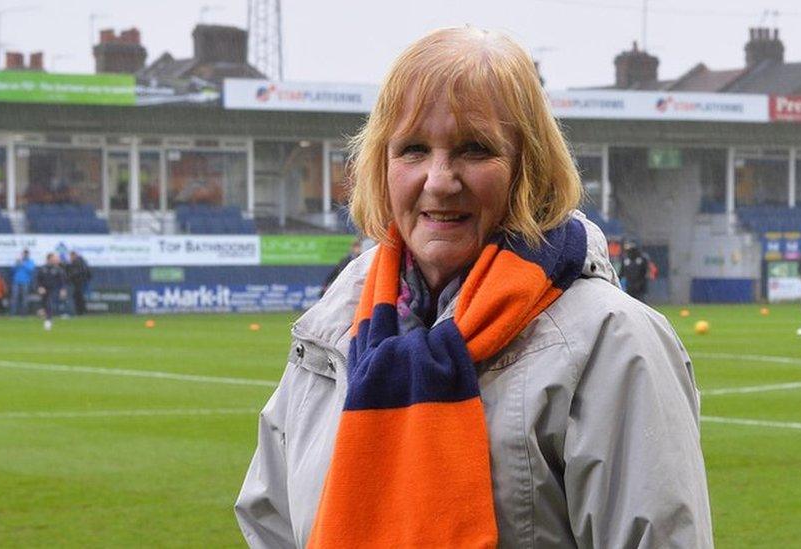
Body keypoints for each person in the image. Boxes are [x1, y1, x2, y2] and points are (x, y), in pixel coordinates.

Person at [236, 27, 712, 548]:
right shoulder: (335, 328)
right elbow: (272, 525)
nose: (439, 180)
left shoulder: (613, 342)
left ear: (527, 168)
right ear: (381, 164)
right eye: (413, 149)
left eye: (475, 149)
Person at [36, 253, 67, 331]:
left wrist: (63, 289)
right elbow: (37, 280)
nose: (56, 260)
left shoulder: (59, 269)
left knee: (49, 303)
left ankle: (48, 320)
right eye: (54, 258)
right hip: (44, 290)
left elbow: (62, 281)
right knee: (45, 304)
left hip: (54, 290)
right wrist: (39, 287)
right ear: (49, 259)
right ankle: (44, 314)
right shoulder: (42, 269)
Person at [65, 251, 92, 316]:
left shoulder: (78, 263)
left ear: (73, 256)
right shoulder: (82, 262)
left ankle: (76, 312)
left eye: (70, 257)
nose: (70, 258)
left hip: (78, 283)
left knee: (76, 298)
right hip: (81, 283)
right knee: (79, 298)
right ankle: (80, 312)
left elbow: (76, 273)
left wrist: (68, 277)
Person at [10, 249, 36, 316]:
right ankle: (13, 314)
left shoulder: (30, 261)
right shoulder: (18, 261)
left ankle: (24, 314)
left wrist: (23, 264)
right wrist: (16, 264)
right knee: (14, 297)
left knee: (24, 298)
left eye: (26, 254)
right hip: (16, 282)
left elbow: (31, 270)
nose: (25, 255)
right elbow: (12, 270)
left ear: (28, 255)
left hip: (25, 282)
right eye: (24, 254)